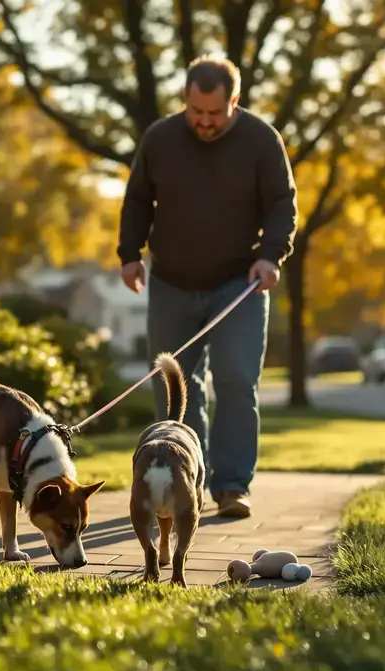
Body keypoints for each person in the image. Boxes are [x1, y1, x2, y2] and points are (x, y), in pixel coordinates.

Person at [117, 55, 298, 518]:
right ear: (186, 99)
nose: (203, 121)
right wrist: (129, 254)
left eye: (214, 113)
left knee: (237, 380)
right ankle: (186, 486)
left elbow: (282, 203)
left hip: (238, 285)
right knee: (176, 390)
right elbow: (138, 197)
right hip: (172, 284)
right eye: (195, 111)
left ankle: (233, 485)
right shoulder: (161, 137)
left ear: (233, 101)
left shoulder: (261, 140)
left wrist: (270, 256)